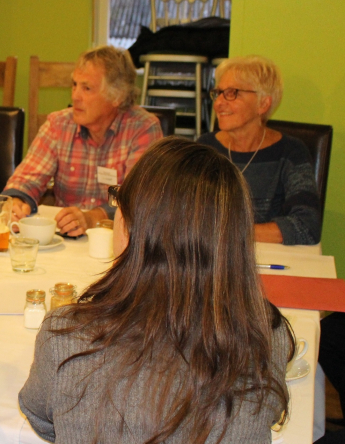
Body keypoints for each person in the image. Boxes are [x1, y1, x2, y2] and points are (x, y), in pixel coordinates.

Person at [19, 138, 293, 443]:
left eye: (118, 199)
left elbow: (41, 417)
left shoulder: (65, 336)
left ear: (133, 228)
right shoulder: (264, 337)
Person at [2, 46, 161, 236]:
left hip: (118, 244)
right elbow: (26, 179)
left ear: (117, 96)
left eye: (87, 88)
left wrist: (93, 218)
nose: (75, 96)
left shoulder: (142, 129)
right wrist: (17, 201)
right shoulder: (58, 124)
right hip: (65, 241)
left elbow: (139, 200)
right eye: (74, 85)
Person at [198, 56, 321, 245]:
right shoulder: (204, 149)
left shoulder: (290, 153)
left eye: (232, 93)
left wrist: (229, 234)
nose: (218, 103)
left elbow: (307, 225)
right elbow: (181, 215)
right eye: (219, 93)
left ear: (263, 104)